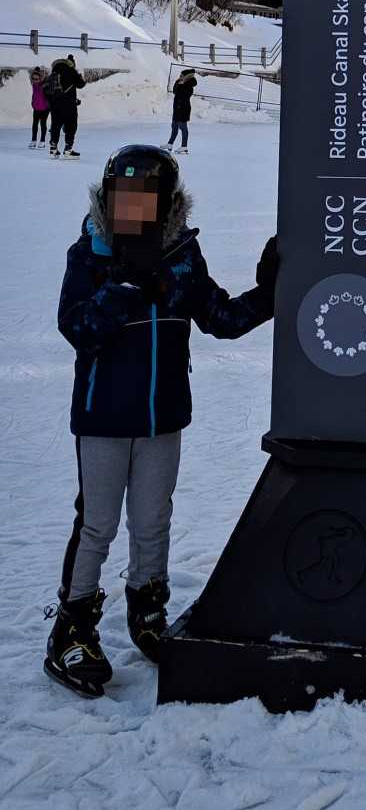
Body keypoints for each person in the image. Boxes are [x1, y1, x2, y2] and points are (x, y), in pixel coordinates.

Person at [44, 144, 278, 698]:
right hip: (102, 417)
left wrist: (270, 293)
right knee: (97, 524)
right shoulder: (91, 255)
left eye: (143, 200)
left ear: (166, 204)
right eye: (120, 198)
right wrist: (122, 287)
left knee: (152, 521)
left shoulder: (181, 259)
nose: (130, 210)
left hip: (161, 416)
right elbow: (76, 328)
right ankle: (72, 629)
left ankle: (148, 613)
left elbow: (221, 318)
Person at [47, 54, 86, 159]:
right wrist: (80, 77)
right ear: (72, 64)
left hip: (55, 106)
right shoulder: (71, 71)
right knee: (70, 126)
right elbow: (81, 84)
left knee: (55, 125)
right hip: (69, 106)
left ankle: (53, 149)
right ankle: (68, 150)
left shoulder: (54, 72)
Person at [167, 68, 197, 152]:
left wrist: (181, 85)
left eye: (181, 76)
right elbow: (174, 91)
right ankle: (170, 144)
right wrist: (178, 82)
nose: (180, 77)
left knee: (183, 127)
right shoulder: (181, 83)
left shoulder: (189, 85)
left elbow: (182, 95)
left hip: (183, 109)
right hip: (177, 108)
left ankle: (184, 146)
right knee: (174, 126)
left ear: (186, 76)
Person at [29, 67, 50, 148]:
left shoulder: (44, 85)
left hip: (45, 108)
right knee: (34, 124)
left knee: (43, 124)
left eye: (37, 79)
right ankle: (33, 140)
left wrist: (48, 105)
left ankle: (42, 141)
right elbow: (34, 95)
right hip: (36, 107)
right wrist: (33, 102)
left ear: (40, 78)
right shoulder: (34, 84)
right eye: (33, 78)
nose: (35, 80)